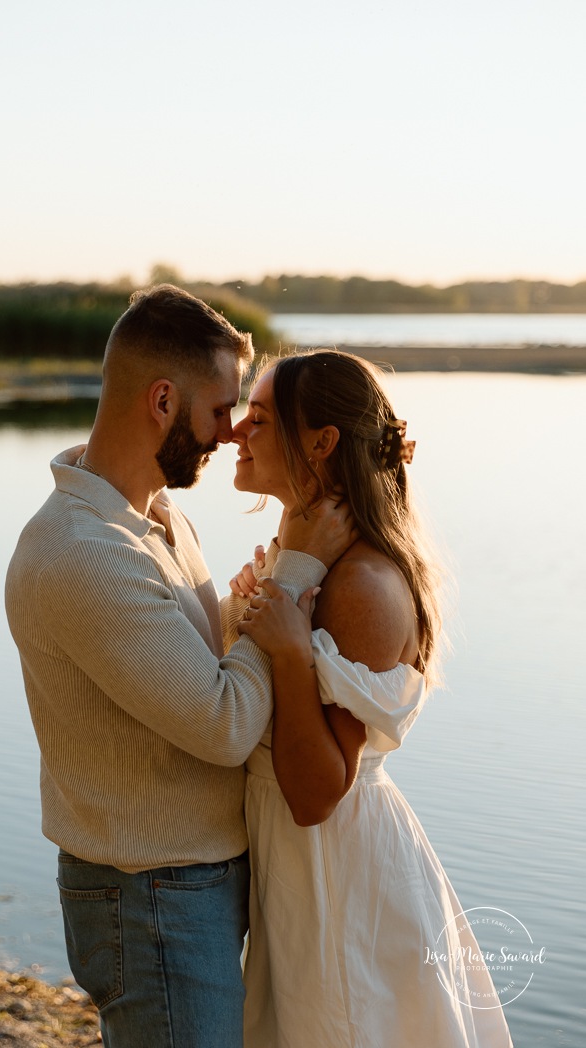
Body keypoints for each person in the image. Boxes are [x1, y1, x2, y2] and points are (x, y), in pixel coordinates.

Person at [4, 286, 352, 1048]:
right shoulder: (83, 553)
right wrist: (290, 580)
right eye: (221, 408)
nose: (230, 434)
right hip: (151, 896)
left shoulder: (155, 516)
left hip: (182, 884)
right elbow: (225, 723)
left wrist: (246, 613)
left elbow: (189, 667)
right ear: (161, 400)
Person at [224, 349, 514, 1047]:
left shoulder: (359, 586)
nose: (236, 431)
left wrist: (292, 652)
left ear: (320, 443)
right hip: (298, 869)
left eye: (259, 418)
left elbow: (317, 792)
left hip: (334, 879)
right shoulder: (313, 559)